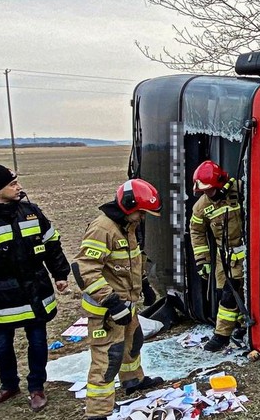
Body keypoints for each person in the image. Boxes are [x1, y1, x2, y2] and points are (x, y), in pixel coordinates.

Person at [72, 179, 165, 420]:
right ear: (128, 204)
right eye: (141, 213)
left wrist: (143, 284)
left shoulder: (127, 226)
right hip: (106, 310)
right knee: (108, 359)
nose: (142, 218)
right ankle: (98, 412)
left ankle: (133, 381)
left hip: (127, 304)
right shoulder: (103, 228)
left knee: (132, 344)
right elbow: (85, 269)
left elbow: (132, 259)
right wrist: (112, 302)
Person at [0, 164, 70, 412]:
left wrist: (60, 274)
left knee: (37, 342)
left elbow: (52, 243)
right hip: (1, 297)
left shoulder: (31, 212)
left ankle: (36, 387)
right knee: (1, 346)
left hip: (35, 290)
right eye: (12, 184)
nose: (19, 187)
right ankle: (9, 385)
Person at [189, 160, 246, 352]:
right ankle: (241, 327)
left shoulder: (240, 189)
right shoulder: (201, 207)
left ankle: (222, 336)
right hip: (225, 257)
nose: (208, 194)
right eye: (204, 191)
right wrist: (202, 261)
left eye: (211, 190)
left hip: (246, 253)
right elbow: (196, 232)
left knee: (232, 296)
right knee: (224, 293)